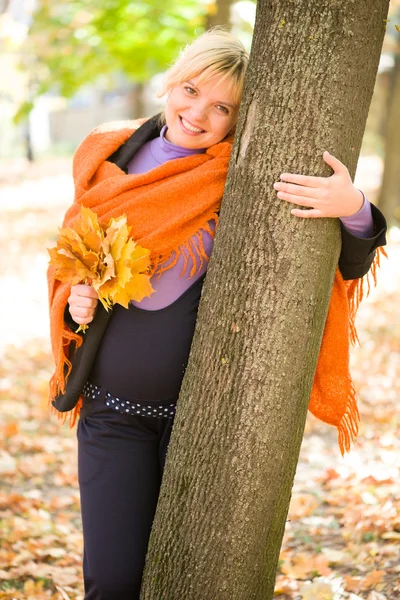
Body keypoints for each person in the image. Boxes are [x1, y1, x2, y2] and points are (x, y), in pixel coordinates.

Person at [47, 29, 386, 600]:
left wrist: (353, 208)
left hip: (206, 422)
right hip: (113, 415)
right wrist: (76, 303)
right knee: (114, 580)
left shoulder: (240, 173)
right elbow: (75, 264)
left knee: (197, 579)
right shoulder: (110, 155)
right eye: (190, 90)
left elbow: (342, 258)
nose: (198, 114)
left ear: (242, 116)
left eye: (222, 106)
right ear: (171, 82)